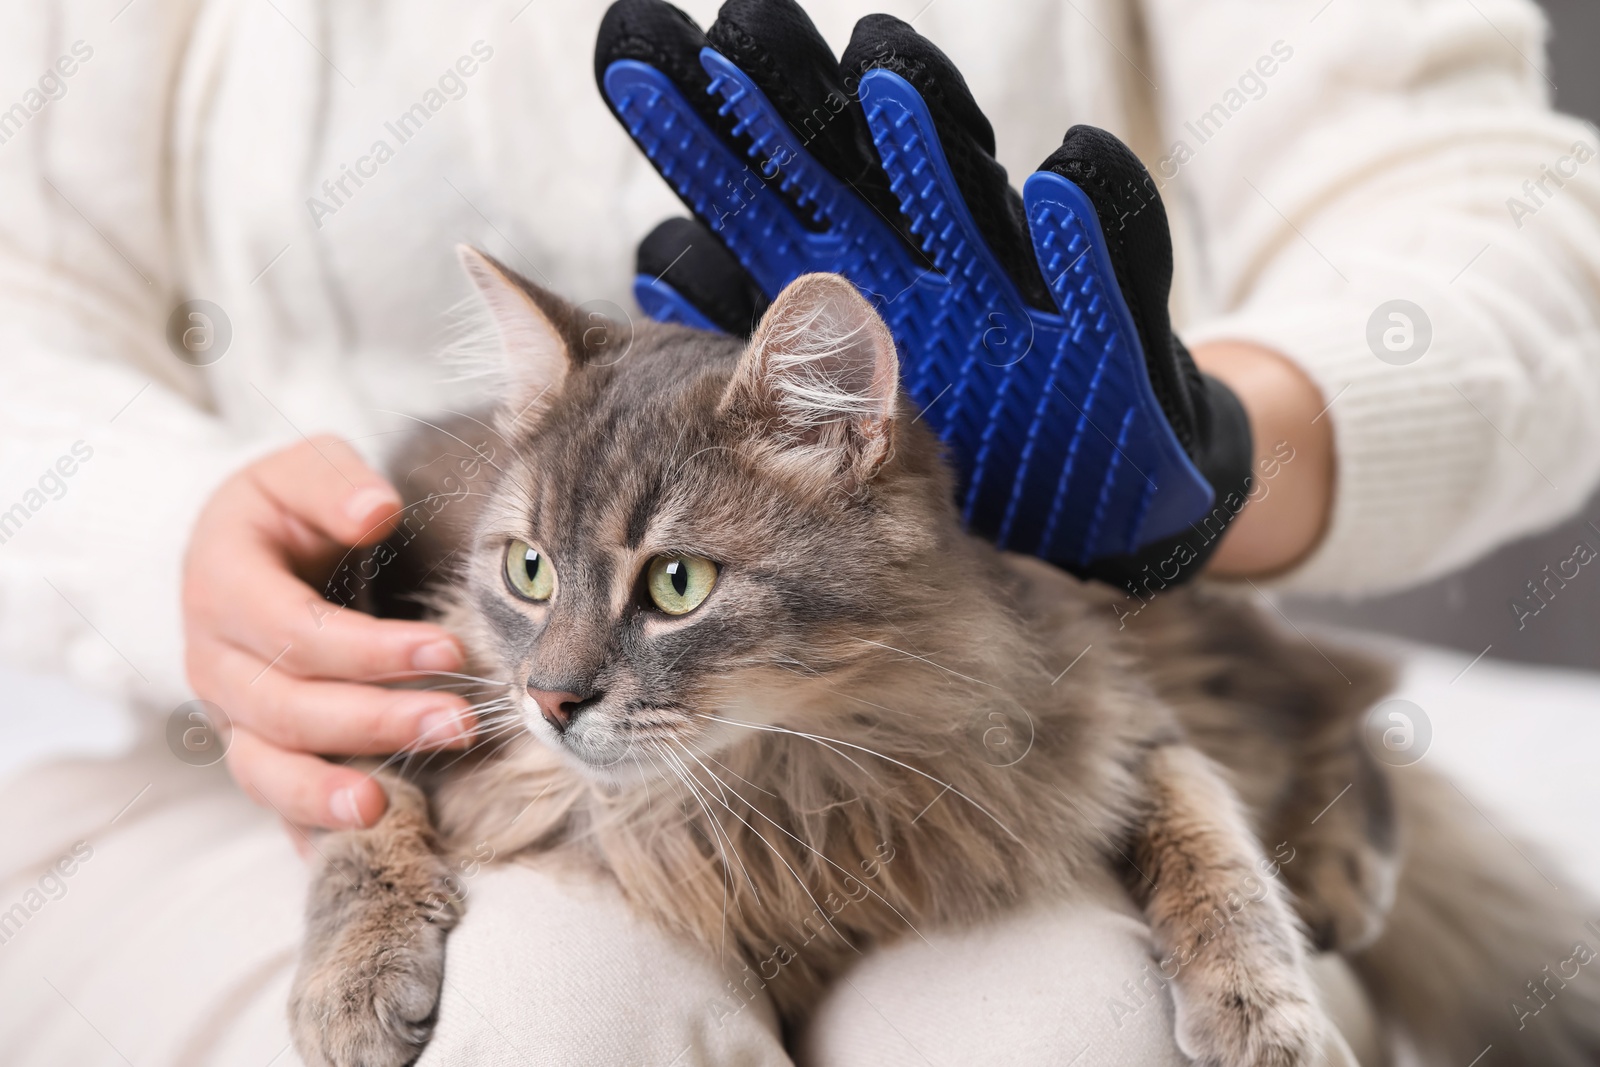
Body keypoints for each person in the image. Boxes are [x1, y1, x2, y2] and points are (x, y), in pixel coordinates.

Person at [0, 0, 1595, 1063]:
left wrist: (1223, 437)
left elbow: (1494, 217)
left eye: (665, 585)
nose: (565, 672)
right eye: (543, 582)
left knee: (1071, 1031)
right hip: (244, 765)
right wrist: (165, 541)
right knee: (556, 1020)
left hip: (933, 683)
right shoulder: (512, 596)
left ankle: (1321, 764)